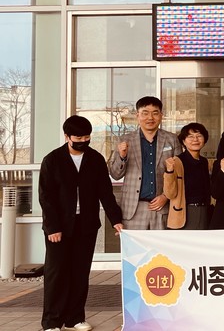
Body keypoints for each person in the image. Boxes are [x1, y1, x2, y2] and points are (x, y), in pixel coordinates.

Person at [39, 115, 123, 331]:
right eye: (78, 138)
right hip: (59, 227)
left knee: (80, 272)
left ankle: (74, 318)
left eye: (87, 137)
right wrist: (53, 227)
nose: (83, 141)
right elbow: (46, 197)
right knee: (57, 273)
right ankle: (52, 321)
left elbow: (105, 192)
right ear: (67, 137)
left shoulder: (95, 159)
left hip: (86, 225)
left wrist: (116, 220)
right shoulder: (52, 160)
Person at [109, 96, 181, 230]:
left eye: (155, 113)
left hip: (162, 207)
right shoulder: (125, 140)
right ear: (137, 116)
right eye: (145, 113)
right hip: (133, 209)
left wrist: (166, 196)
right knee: (134, 244)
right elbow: (115, 174)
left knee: (161, 244)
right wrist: (122, 156)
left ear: (161, 115)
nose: (150, 118)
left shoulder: (172, 139)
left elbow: (179, 174)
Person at [163, 122, 211, 230]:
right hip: (185, 212)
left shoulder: (204, 161)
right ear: (184, 141)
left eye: (199, 136)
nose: (195, 139)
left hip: (204, 210)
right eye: (190, 137)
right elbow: (170, 193)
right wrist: (169, 171)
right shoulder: (177, 161)